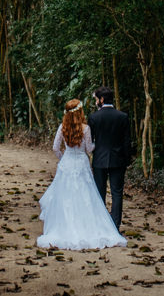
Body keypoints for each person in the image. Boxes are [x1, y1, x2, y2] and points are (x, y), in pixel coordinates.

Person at [36, 99, 127, 250]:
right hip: (81, 163)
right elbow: (89, 148)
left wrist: (63, 158)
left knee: (66, 197)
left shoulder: (62, 127)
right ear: (80, 112)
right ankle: (87, 226)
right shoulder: (85, 129)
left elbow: (55, 148)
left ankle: (65, 226)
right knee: (85, 196)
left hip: (67, 163)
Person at [87, 86, 131, 228]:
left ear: (101, 99)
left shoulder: (94, 117)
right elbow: (126, 142)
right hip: (118, 160)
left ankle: (101, 225)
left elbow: (90, 141)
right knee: (117, 193)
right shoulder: (122, 116)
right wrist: (127, 160)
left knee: (100, 193)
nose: (95, 102)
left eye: (96, 99)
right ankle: (115, 226)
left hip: (99, 159)